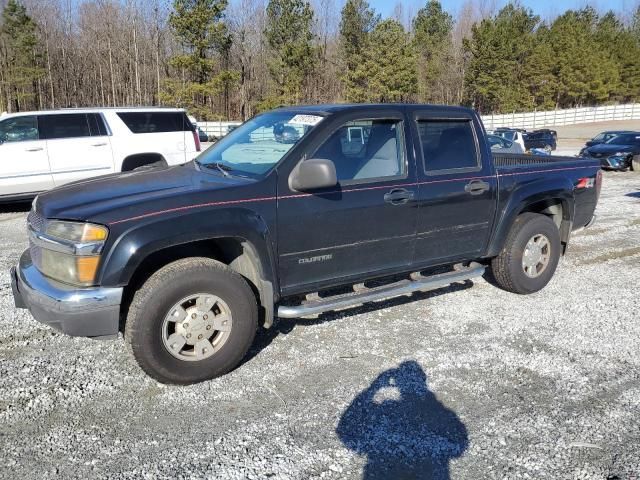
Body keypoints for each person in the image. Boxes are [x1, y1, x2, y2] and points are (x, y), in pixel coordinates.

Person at [337, 361, 468, 480]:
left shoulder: (384, 411)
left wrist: (373, 388)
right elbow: (460, 445)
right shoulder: (441, 413)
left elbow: (345, 431)